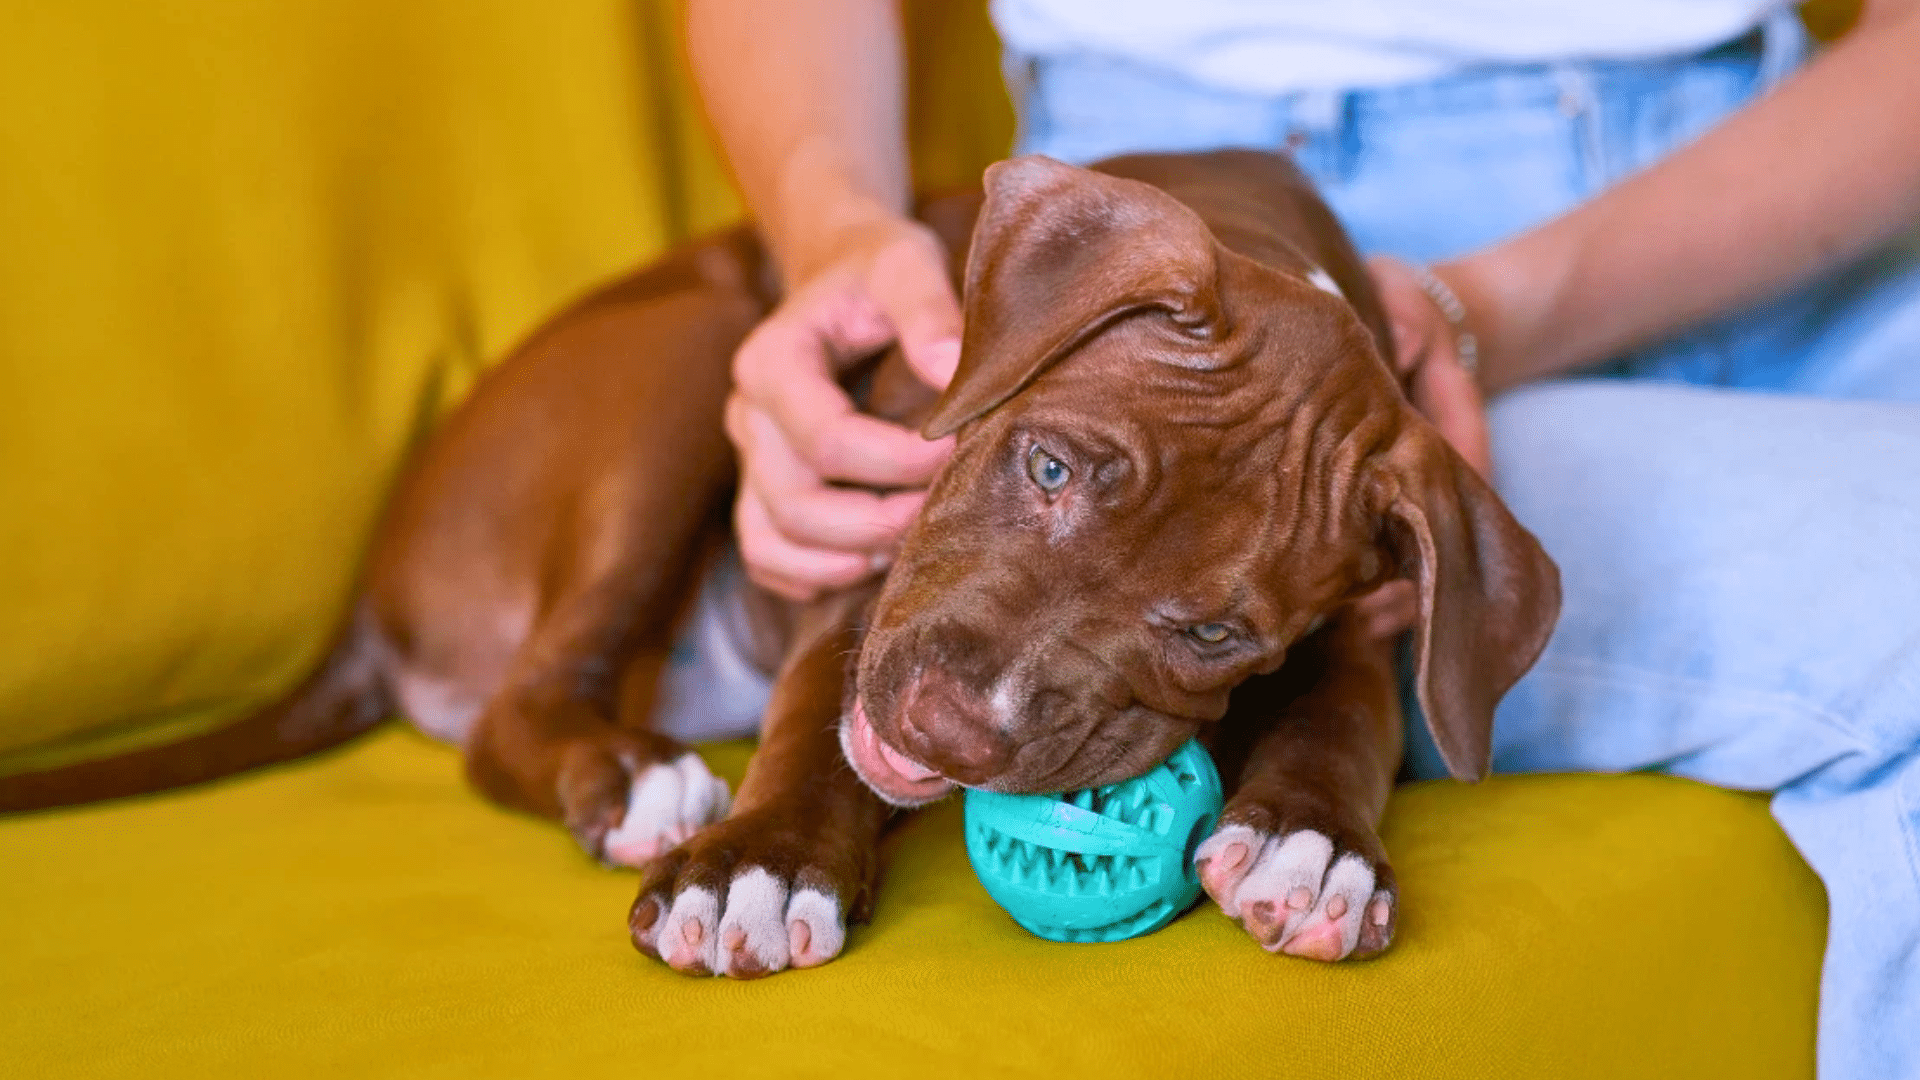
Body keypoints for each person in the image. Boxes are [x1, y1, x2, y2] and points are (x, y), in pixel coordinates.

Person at [683, 1, 1920, 1075]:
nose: (980, 713)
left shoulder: (1349, 484)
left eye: (1213, 627)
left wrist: (1499, 306)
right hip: (1163, 186)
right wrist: (832, 232)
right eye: (1055, 467)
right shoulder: (1134, 319)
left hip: (1761, 207)